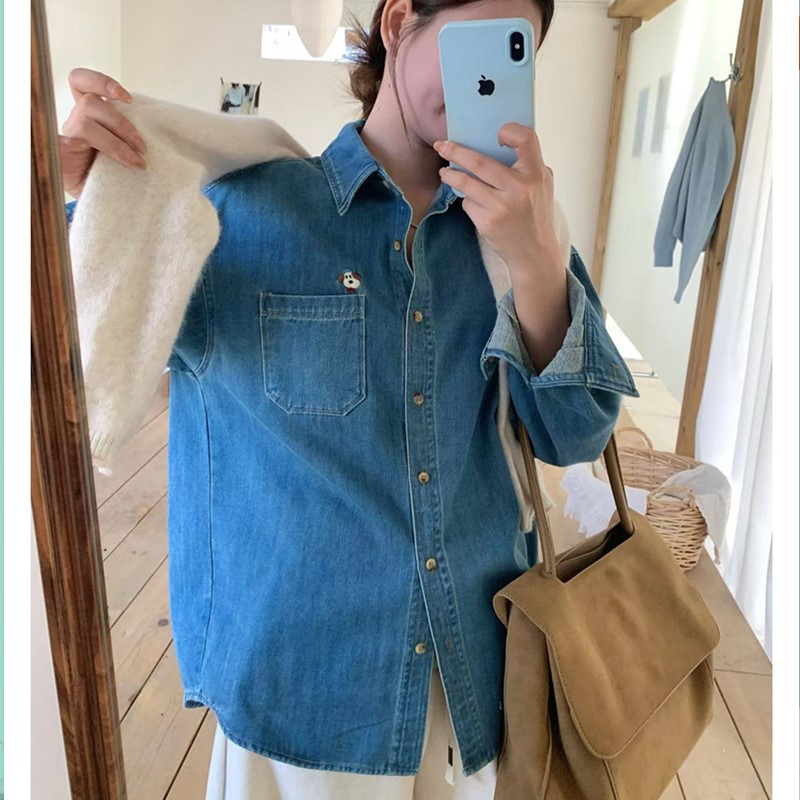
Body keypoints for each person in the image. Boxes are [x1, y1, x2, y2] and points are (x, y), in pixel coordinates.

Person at [58, 1, 639, 797]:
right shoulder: (236, 212)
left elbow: (575, 434)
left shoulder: (520, 234)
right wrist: (63, 202)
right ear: (399, 21)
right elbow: (70, 358)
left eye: (516, 55)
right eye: (474, 39)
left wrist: (539, 264)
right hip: (303, 696)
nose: (489, 78)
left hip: (475, 681)